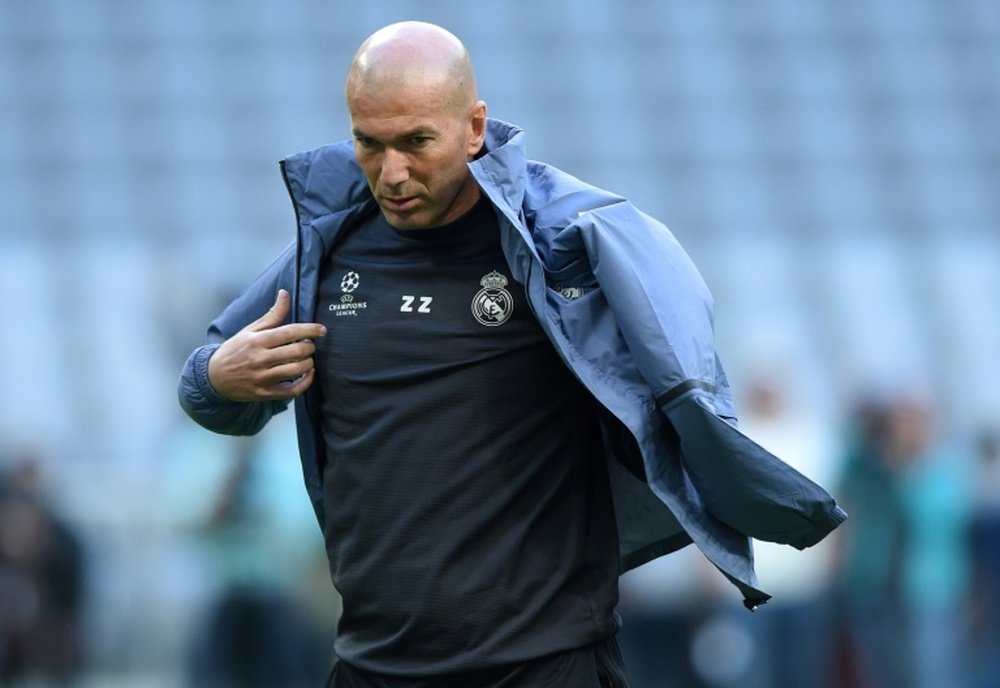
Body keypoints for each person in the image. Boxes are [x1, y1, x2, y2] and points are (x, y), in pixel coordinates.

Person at [178, 21, 846, 688]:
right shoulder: (327, 255)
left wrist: (763, 502)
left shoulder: (561, 247)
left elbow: (684, 376)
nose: (392, 172)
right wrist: (220, 377)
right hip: (374, 666)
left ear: (474, 127)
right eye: (368, 143)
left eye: (416, 143)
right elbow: (205, 384)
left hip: (547, 665)